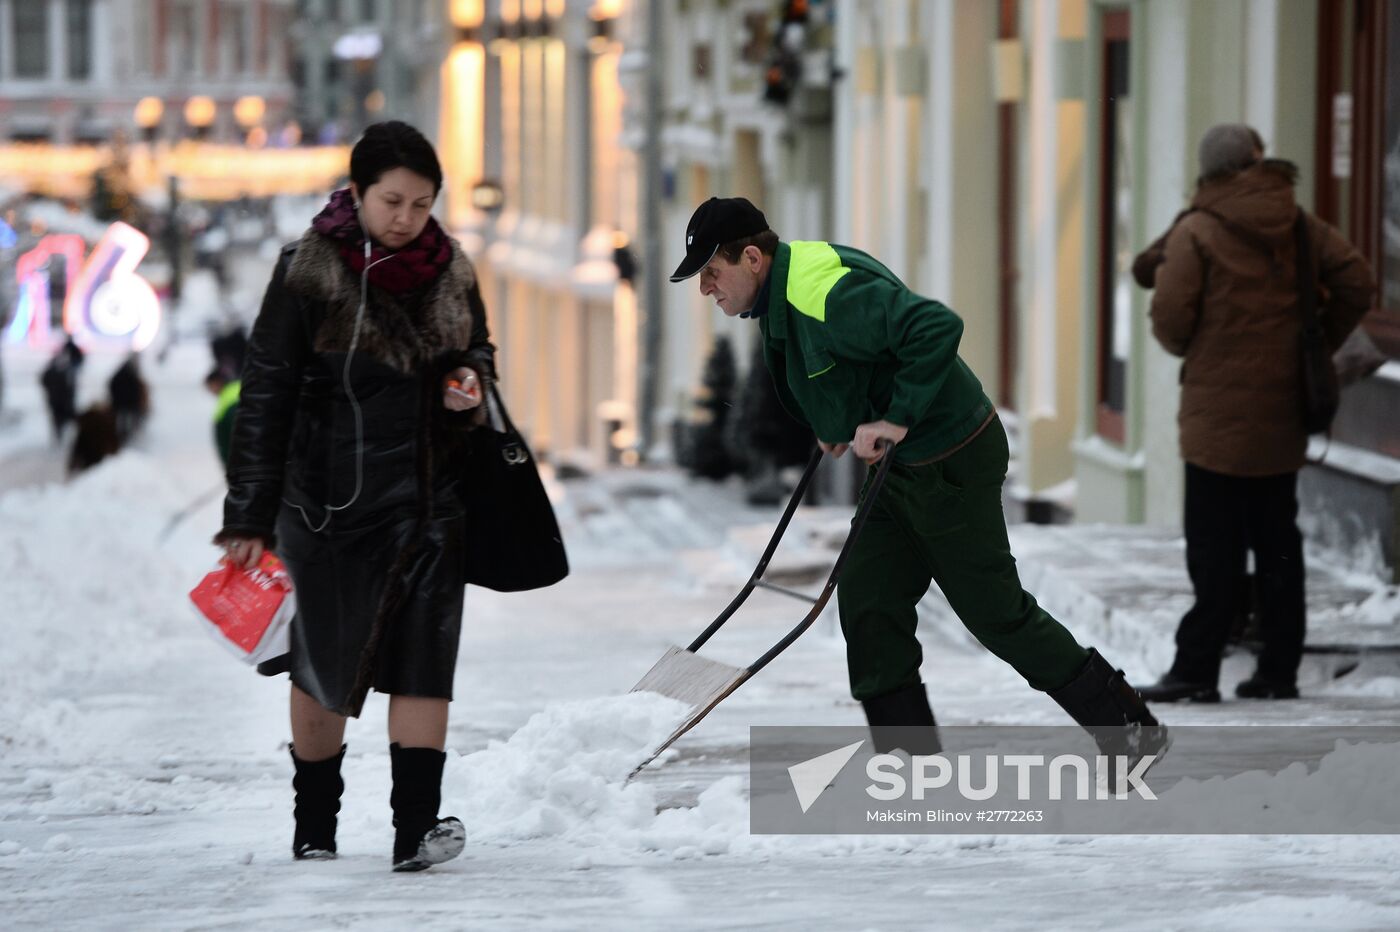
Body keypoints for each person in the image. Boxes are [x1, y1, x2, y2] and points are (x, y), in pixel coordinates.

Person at [669, 197, 1167, 763]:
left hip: (950, 457)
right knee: (869, 599)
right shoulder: (786, 290)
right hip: (901, 467)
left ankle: (1130, 728)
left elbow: (935, 326)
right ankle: (908, 760)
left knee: (996, 614)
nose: (706, 288)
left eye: (712, 272)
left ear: (752, 258)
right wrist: (838, 424)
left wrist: (895, 418)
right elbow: (847, 361)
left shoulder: (822, 290)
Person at [215, 121, 496, 872]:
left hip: (430, 498)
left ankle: (416, 831)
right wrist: (249, 513)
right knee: (324, 666)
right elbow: (266, 391)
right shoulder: (308, 271)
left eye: (422, 204)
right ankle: (315, 824)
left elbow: (477, 348)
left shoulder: (452, 269)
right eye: (392, 201)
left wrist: (468, 379)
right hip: (326, 504)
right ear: (357, 193)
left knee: (425, 662)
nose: (406, 218)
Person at [1133, 124, 1375, 703]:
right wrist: (1315, 341)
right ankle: (1278, 669)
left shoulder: (1196, 230)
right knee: (1277, 544)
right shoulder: (1298, 224)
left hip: (1216, 419)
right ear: (1257, 160)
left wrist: (1204, 343)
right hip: (1282, 413)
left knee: (1214, 547)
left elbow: (1170, 321)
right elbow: (1358, 282)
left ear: (1209, 170)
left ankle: (1196, 670)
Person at [203, 364, 240, 469]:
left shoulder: (227, 403)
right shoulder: (241, 386)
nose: (211, 392)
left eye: (210, 387)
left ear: (216, 382)